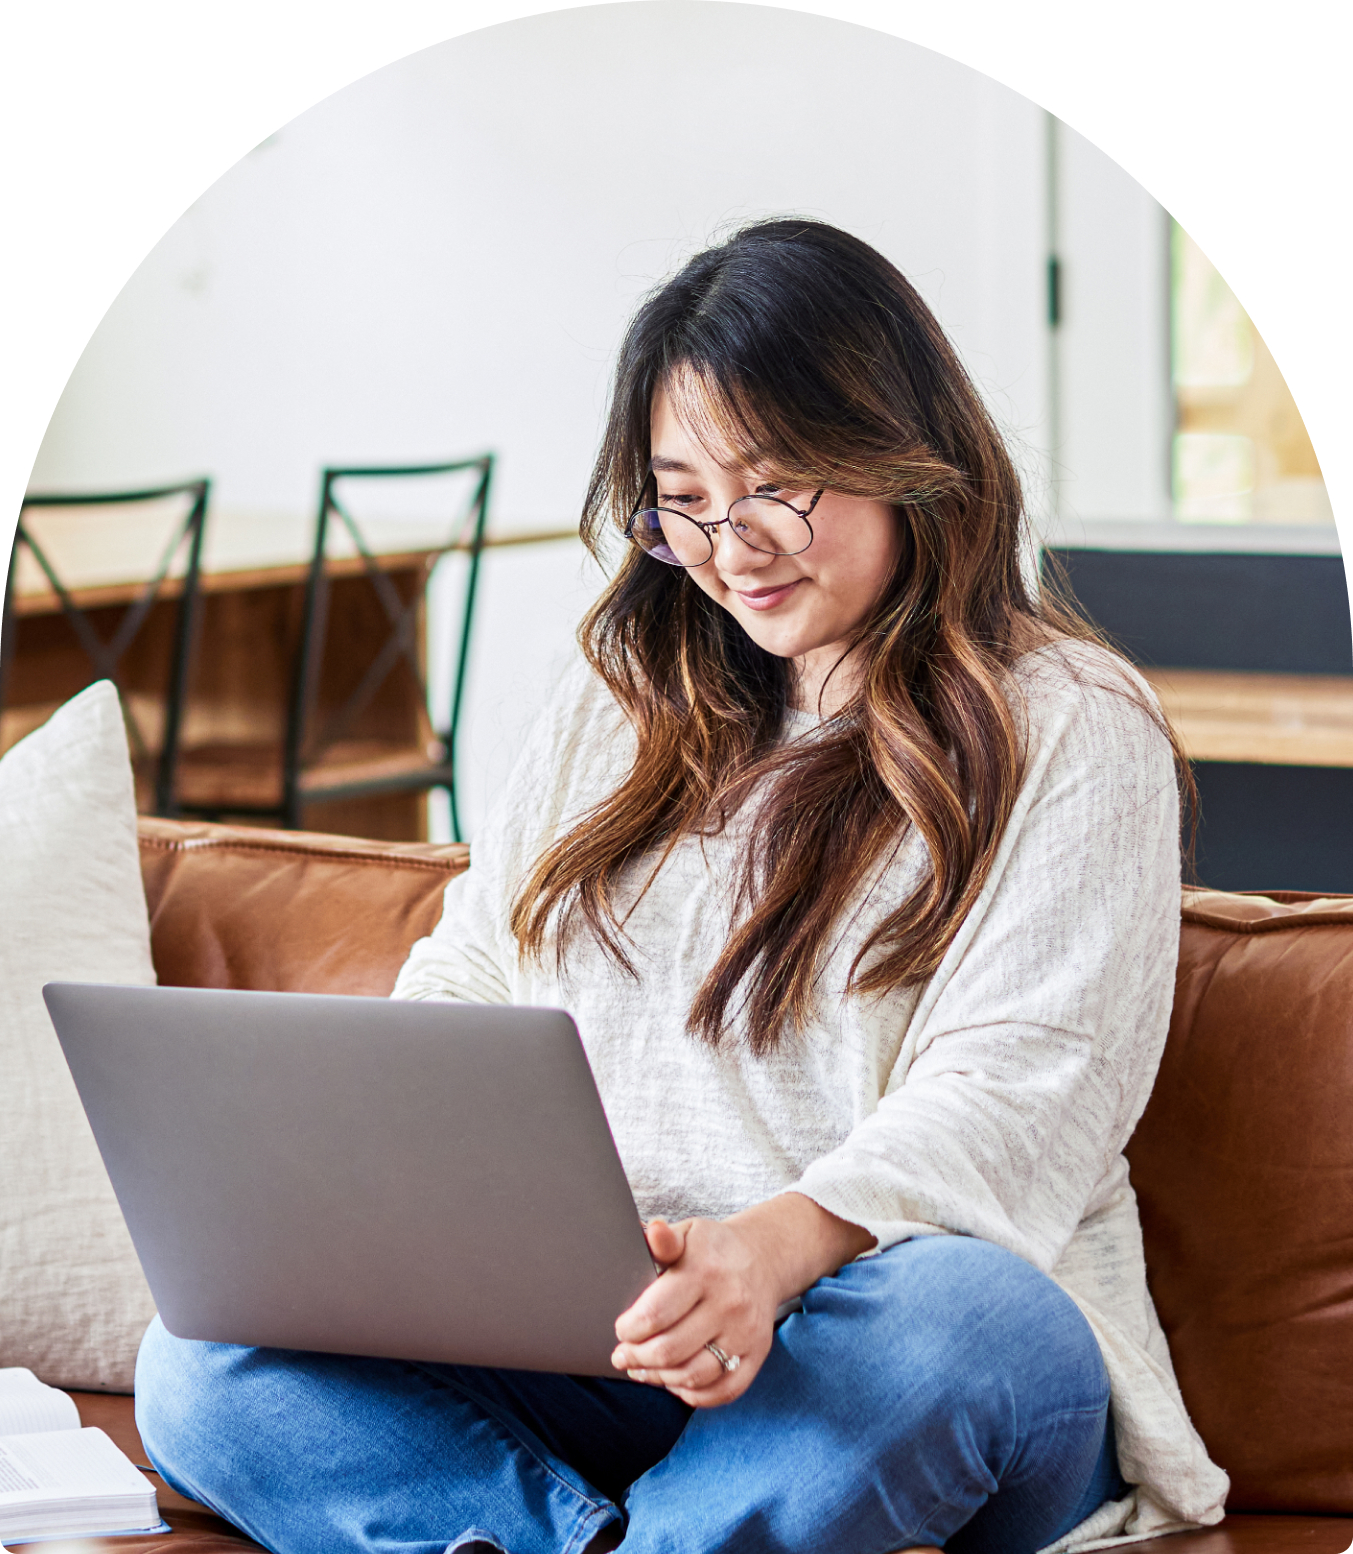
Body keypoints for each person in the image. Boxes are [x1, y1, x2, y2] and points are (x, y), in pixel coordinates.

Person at [135, 219, 1229, 1554]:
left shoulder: (1070, 721)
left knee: (965, 1320)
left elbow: (1022, 1087)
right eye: (685, 499)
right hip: (607, 1339)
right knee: (201, 1354)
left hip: (872, 1334)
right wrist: (394, 1198)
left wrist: (769, 1251)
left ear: (900, 451)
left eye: (775, 483)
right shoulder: (620, 702)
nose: (730, 543)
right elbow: (474, 966)